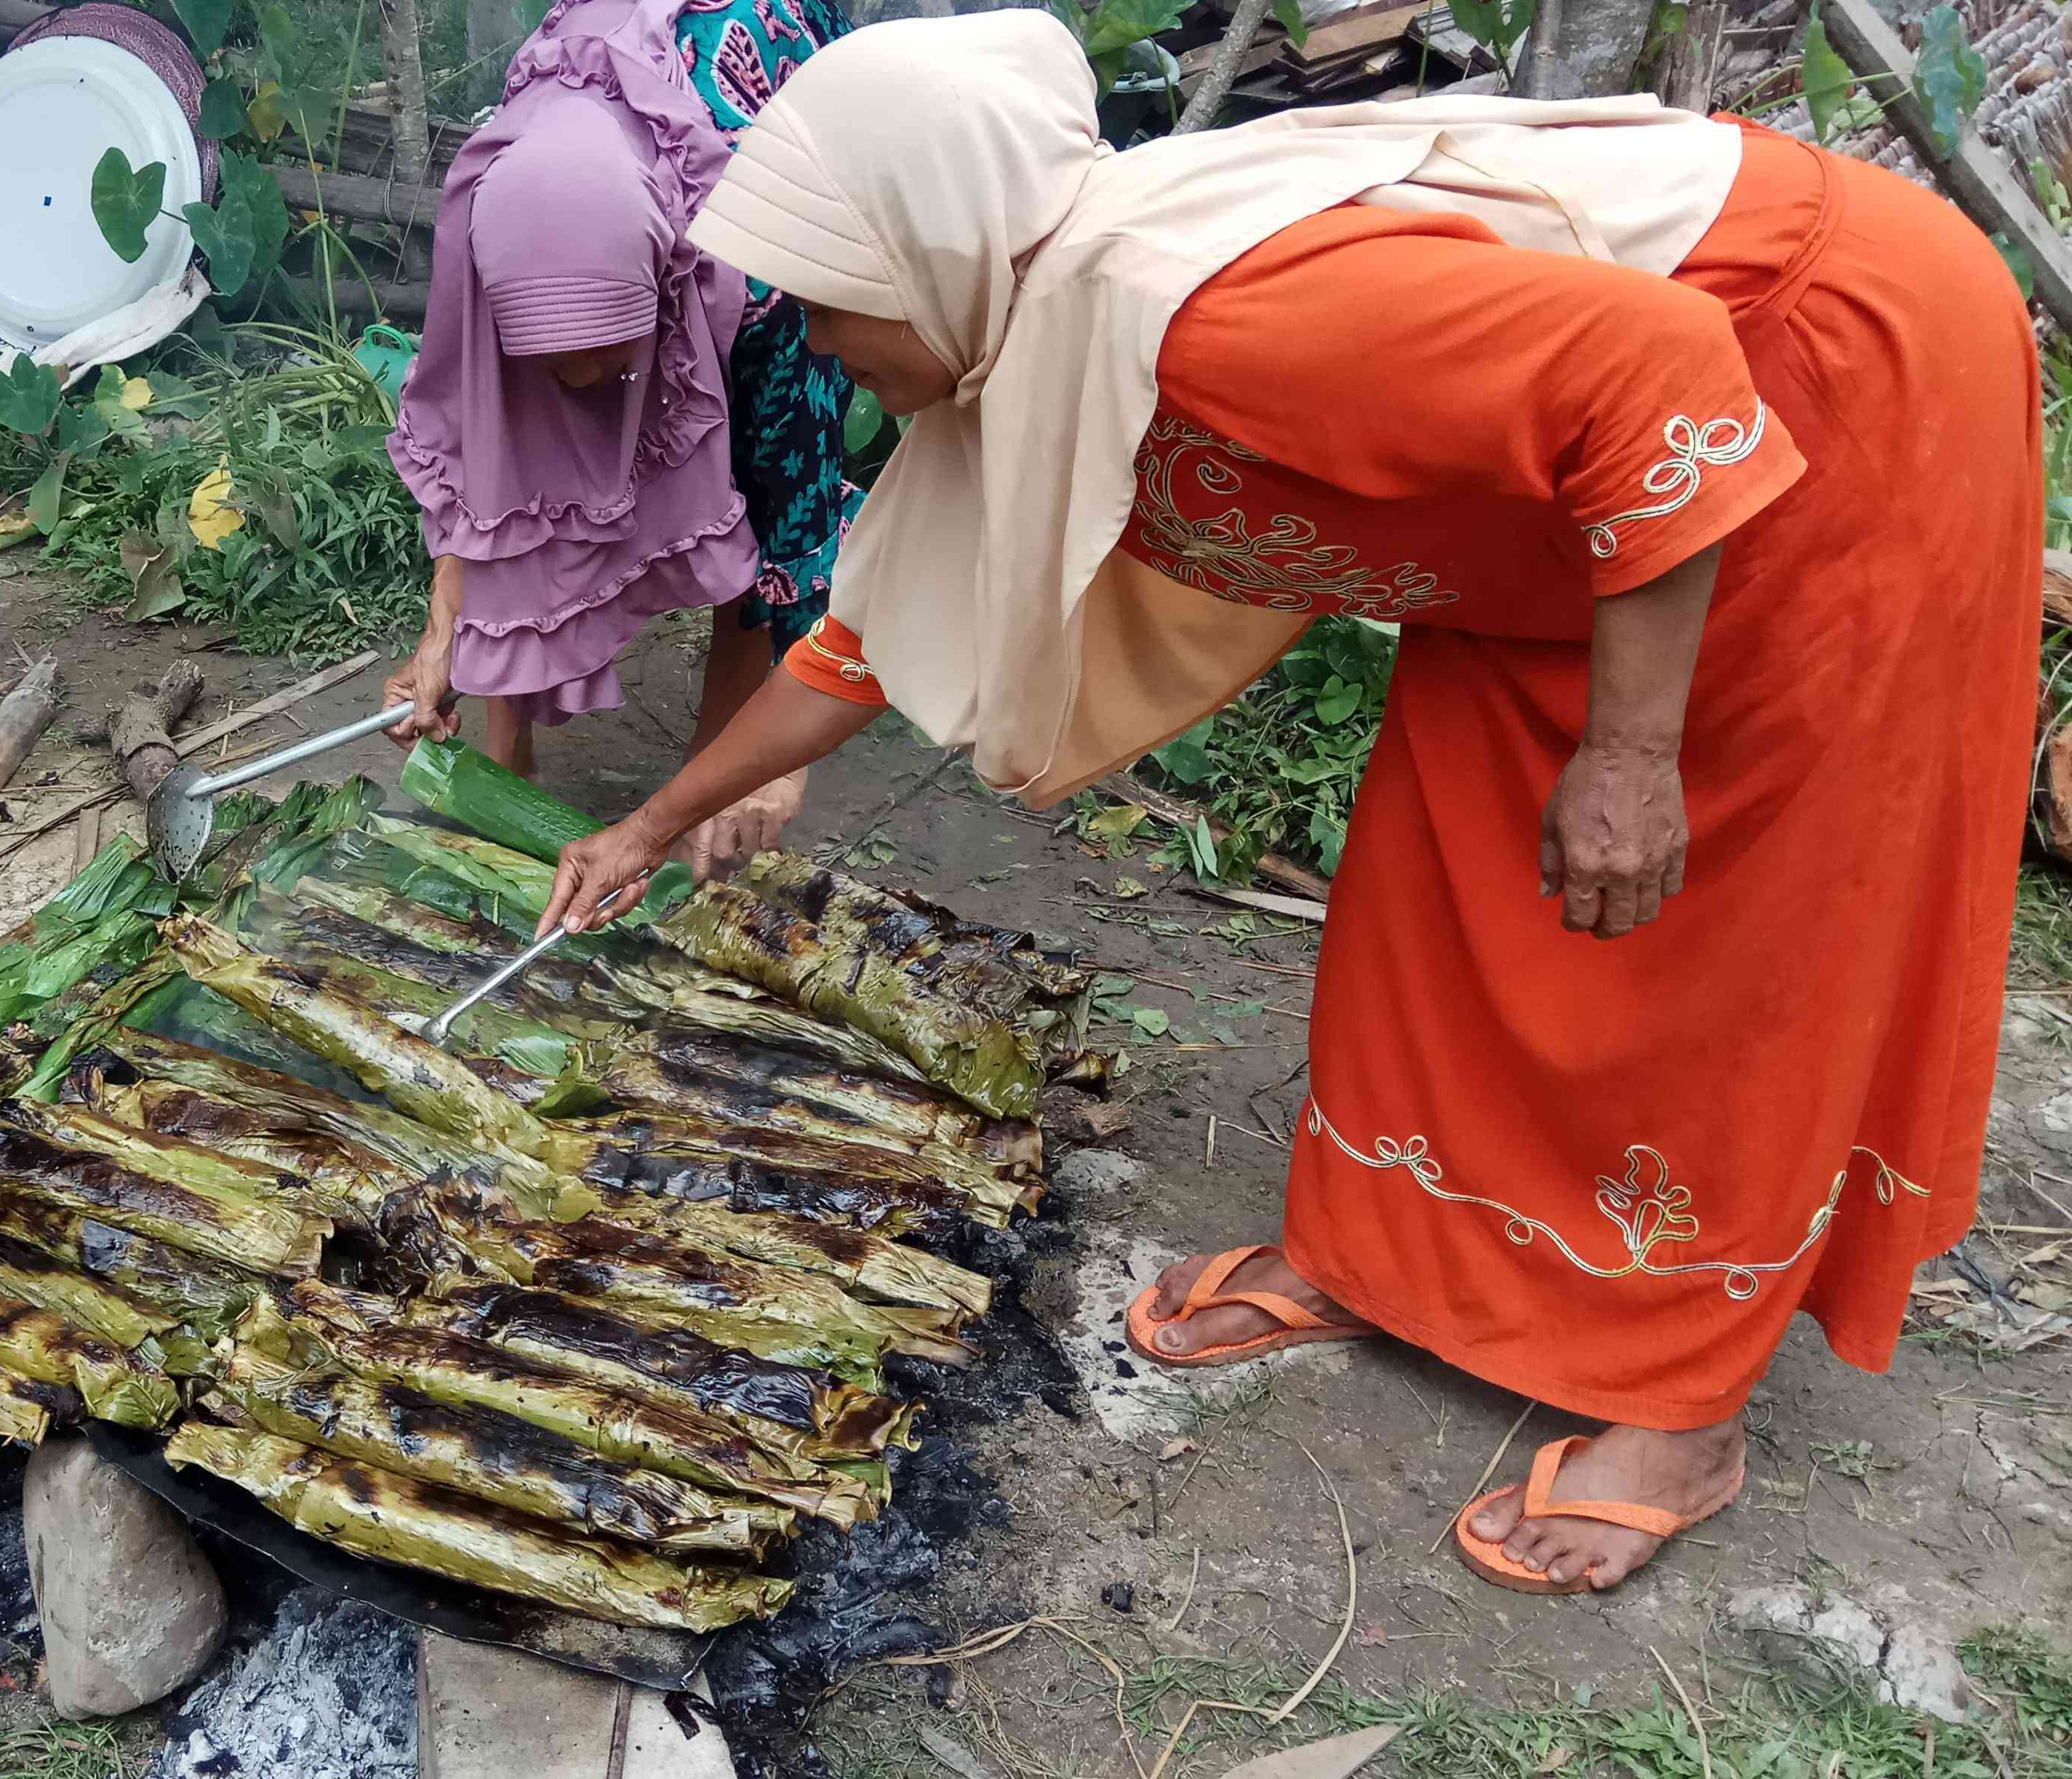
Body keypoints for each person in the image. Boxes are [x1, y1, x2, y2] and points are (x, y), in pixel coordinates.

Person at [542, 11, 2038, 1593]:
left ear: (927, 253)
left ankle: (1682, 1402)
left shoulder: (1205, 319)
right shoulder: (1025, 334)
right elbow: (872, 630)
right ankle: (1387, 1251)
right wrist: (646, 823)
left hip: (1812, 389)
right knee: (1446, 859)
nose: (821, 343)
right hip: (1559, 502)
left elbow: (1657, 377)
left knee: (1726, 914)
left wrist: (1627, 749)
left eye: (835, 306)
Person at [382, 0, 862, 877]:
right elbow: (486, 472)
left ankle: (706, 792)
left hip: (755, 132)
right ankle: (506, 752)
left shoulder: (757, 277)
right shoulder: (502, 209)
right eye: (554, 369)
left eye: (606, 363)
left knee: (747, 485)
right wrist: (446, 629)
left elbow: (783, 542)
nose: (583, 395)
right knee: (541, 428)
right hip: (608, 103)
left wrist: (714, 792)